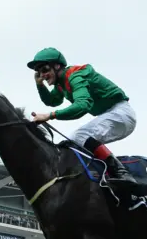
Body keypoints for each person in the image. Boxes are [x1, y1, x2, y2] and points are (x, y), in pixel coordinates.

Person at [27, 47, 137, 186]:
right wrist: (39, 85)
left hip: (121, 113)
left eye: (45, 70)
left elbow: (82, 106)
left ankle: (121, 172)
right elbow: (53, 101)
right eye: (39, 72)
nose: (42, 75)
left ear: (57, 66)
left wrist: (50, 116)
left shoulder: (75, 76)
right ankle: (101, 173)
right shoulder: (61, 84)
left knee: (80, 135)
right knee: (72, 142)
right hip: (111, 114)